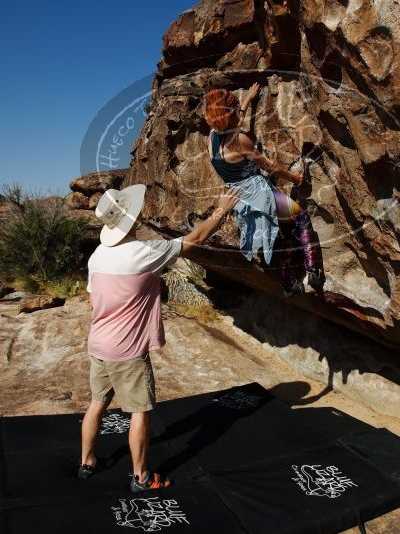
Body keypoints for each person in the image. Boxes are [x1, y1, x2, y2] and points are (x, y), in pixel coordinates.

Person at [78, 183, 242, 491]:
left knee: (98, 402)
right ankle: (141, 476)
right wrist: (222, 207)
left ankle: (87, 462)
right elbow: (196, 238)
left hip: (98, 342)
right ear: (132, 218)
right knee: (140, 411)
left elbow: (92, 300)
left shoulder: (97, 256)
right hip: (127, 350)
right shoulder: (144, 253)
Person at [204, 83, 324, 297]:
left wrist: (248, 98)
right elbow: (270, 167)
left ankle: (290, 285)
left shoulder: (212, 138)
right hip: (259, 193)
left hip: (239, 198)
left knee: (283, 233)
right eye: (236, 105)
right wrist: (294, 178)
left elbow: (234, 124)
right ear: (230, 112)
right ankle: (314, 269)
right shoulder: (240, 140)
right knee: (301, 217)